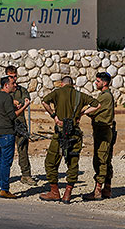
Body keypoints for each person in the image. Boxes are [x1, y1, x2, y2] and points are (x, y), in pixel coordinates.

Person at [40, 75, 100, 204]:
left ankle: (54, 192)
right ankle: (68, 193)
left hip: (60, 134)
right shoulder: (80, 95)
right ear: (72, 85)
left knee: (51, 162)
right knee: (72, 163)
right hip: (74, 134)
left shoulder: (57, 92)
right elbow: (97, 105)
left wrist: (54, 116)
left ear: (62, 84)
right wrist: (82, 113)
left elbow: (44, 101)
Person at [0, 76, 31, 199]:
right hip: (7, 132)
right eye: (13, 83)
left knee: (1, 160)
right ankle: (4, 189)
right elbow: (13, 116)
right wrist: (25, 106)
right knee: (6, 162)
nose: (15, 85)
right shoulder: (7, 97)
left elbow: (4, 111)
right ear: (6, 85)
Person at [84, 71, 116, 200]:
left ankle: (97, 190)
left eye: (98, 81)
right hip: (103, 130)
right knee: (106, 159)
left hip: (103, 130)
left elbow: (93, 108)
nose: (96, 83)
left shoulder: (105, 96)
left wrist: (83, 111)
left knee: (100, 159)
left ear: (105, 83)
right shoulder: (105, 95)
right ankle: (107, 189)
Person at [5, 65, 37, 186]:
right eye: (10, 77)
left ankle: (26, 175)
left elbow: (26, 99)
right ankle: (4, 176)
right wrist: (11, 102)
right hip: (8, 124)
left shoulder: (21, 90)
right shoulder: (4, 91)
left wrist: (21, 103)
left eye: (14, 76)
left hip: (20, 123)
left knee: (23, 150)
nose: (13, 79)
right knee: (7, 151)